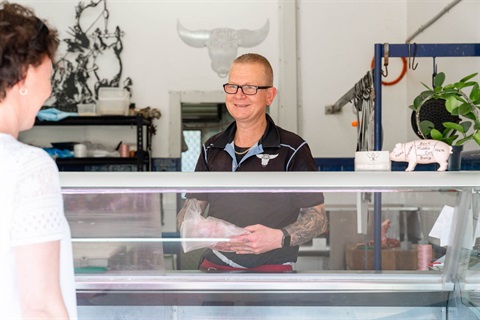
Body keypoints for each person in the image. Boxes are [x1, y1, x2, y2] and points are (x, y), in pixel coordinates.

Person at [177, 53, 327, 272]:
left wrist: (278, 238)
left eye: (250, 87)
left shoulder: (293, 149)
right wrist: (205, 234)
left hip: (272, 275)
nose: (239, 95)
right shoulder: (212, 148)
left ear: (269, 95)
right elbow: (188, 213)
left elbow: (318, 219)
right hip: (215, 272)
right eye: (233, 87)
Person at [0, 2, 77, 319]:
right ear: (26, 73)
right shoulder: (29, 166)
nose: (50, 85)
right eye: (50, 68)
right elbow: (41, 307)